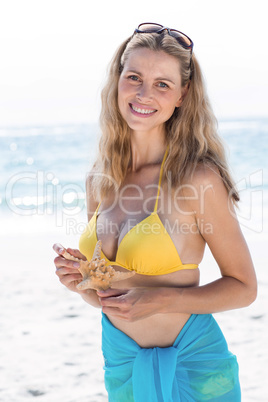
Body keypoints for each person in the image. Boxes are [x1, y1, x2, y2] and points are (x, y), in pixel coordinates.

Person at [53, 23, 257, 401]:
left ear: (182, 95)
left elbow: (244, 288)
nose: (144, 93)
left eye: (162, 84)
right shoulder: (100, 180)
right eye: (134, 77)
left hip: (193, 365)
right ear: (118, 81)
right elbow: (107, 295)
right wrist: (79, 280)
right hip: (122, 362)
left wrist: (165, 299)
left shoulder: (198, 179)